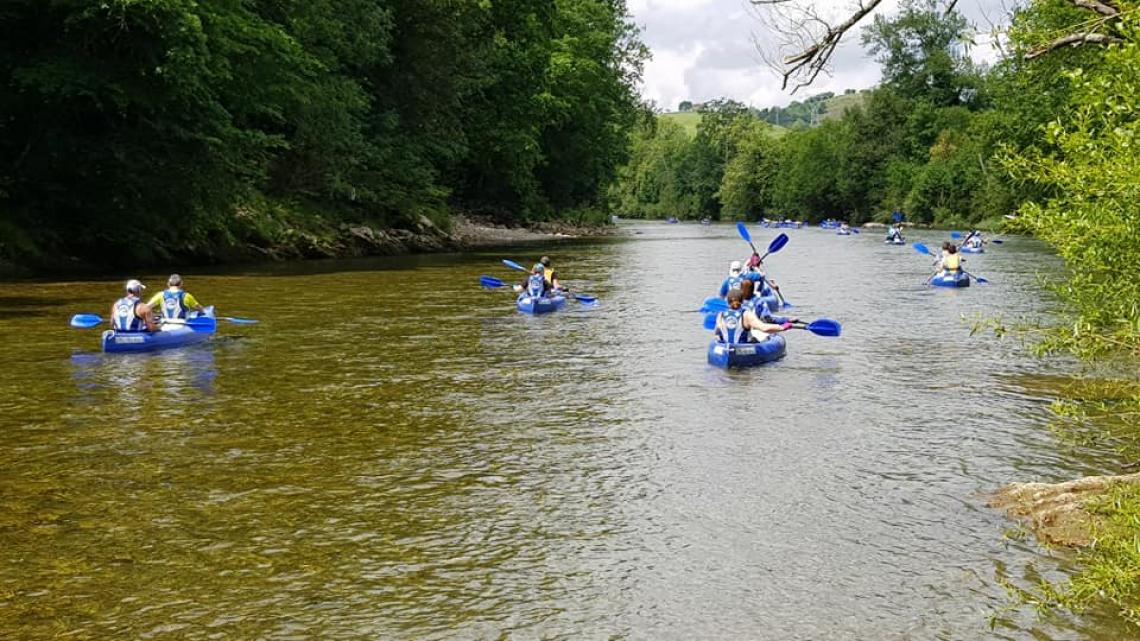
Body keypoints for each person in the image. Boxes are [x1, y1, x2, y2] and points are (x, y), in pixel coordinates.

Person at [715, 289, 793, 344]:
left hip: (726, 346)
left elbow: (717, 332)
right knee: (756, 339)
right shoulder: (747, 314)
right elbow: (764, 328)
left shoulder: (721, 314)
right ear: (742, 300)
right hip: (742, 347)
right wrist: (782, 327)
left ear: (728, 301)